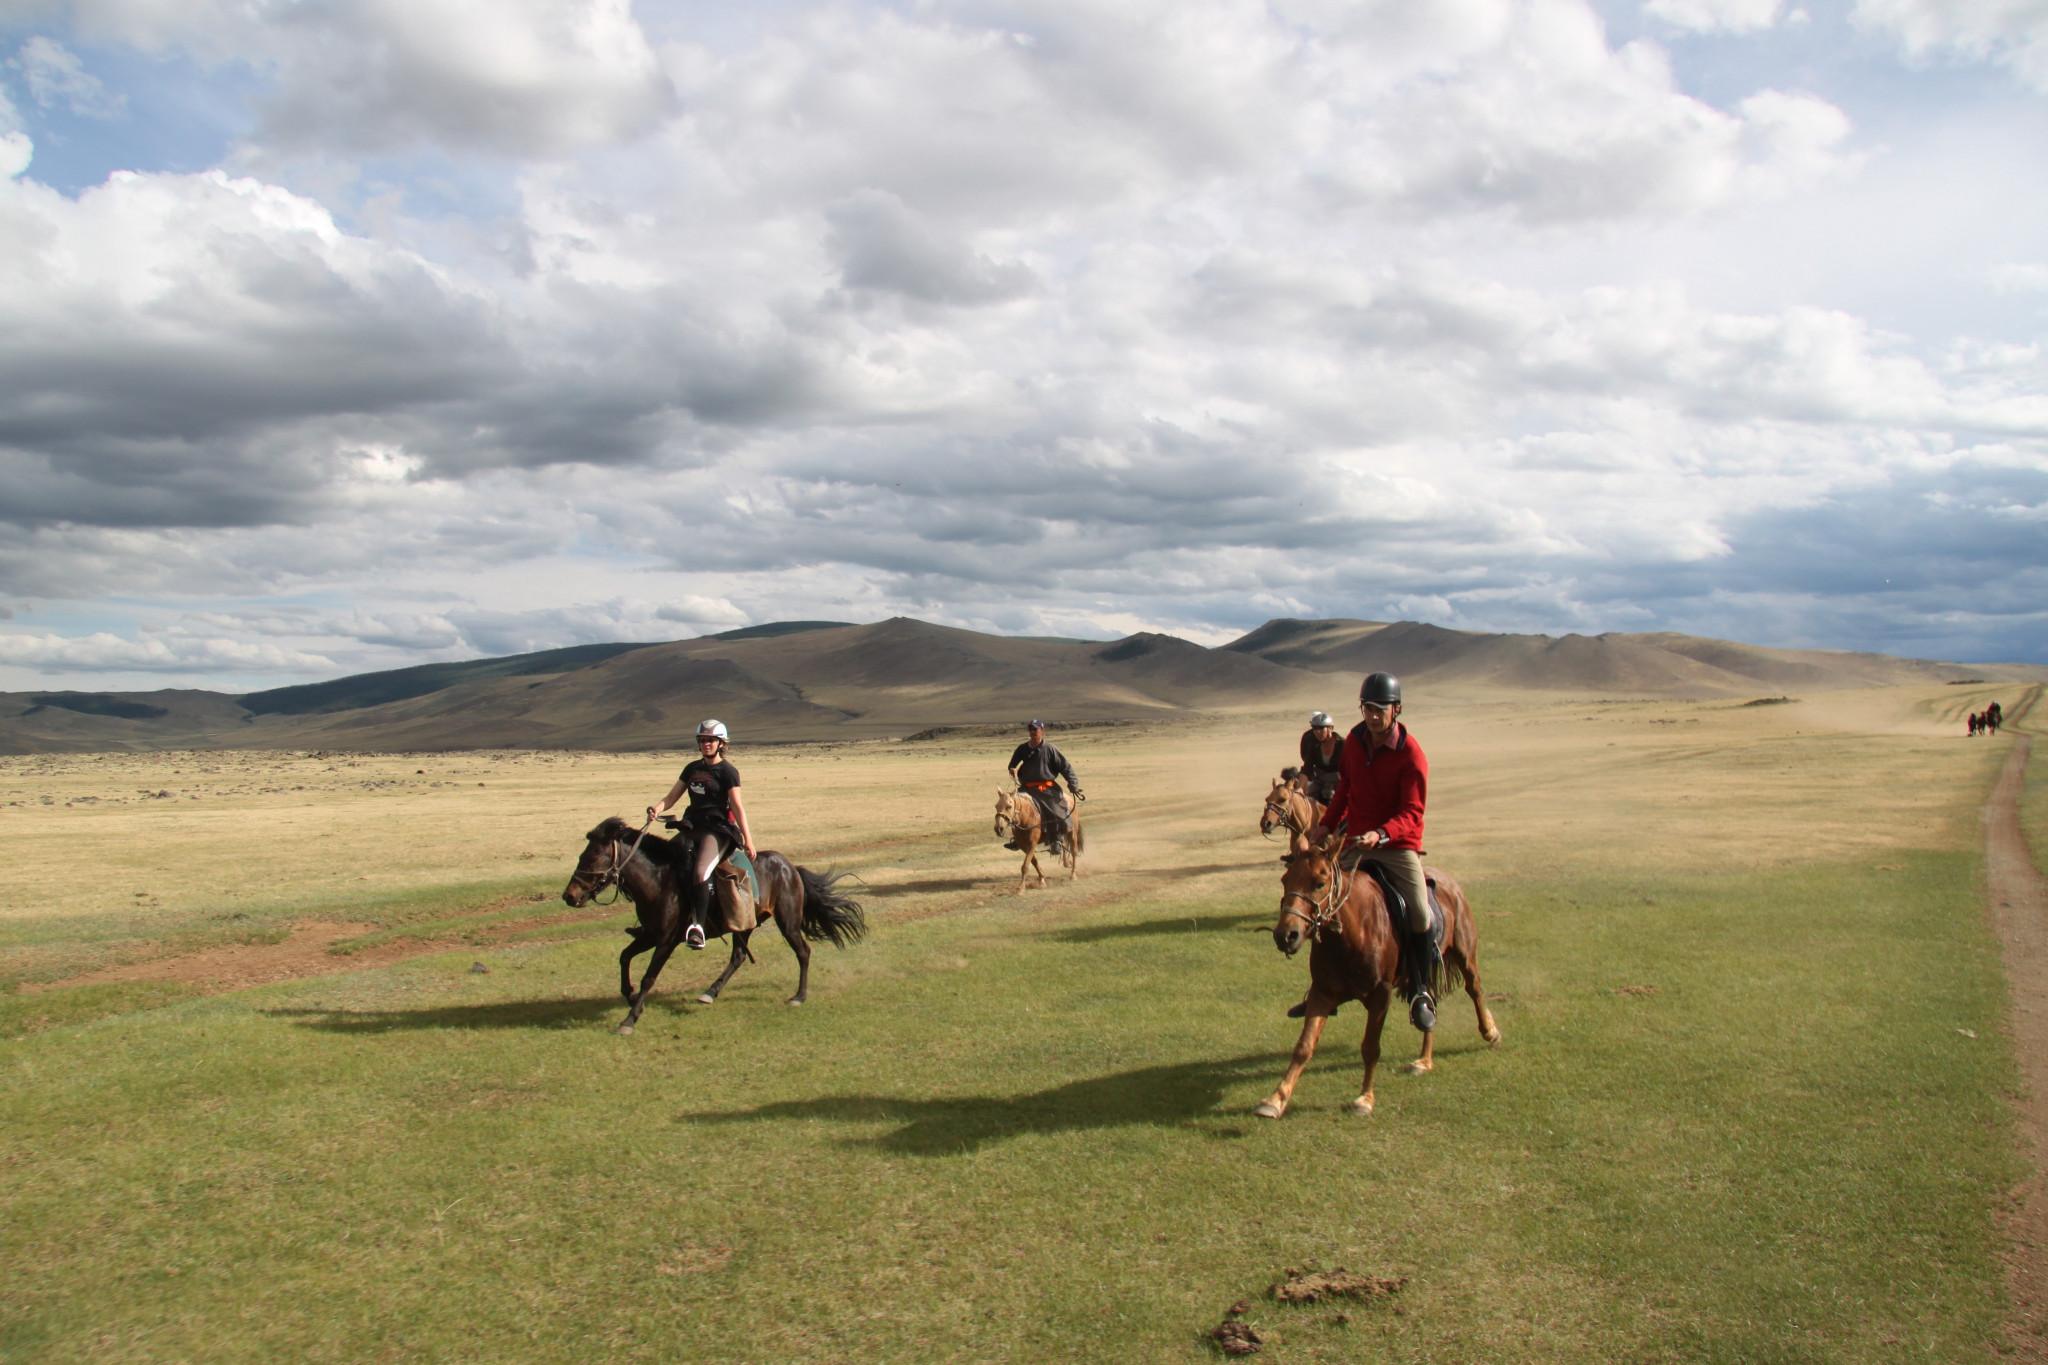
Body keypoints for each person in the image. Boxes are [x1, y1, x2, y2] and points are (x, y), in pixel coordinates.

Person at [1299, 673, 1436, 1031]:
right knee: (1323, 898)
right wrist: (1327, 824)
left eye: (1380, 709)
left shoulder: (1411, 754)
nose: (1373, 716)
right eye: (1368, 709)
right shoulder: (1356, 743)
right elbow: (1345, 788)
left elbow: (1413, 812)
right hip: (1356, 841)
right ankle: (1321, 986)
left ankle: (1420, 990)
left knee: (1421, 914)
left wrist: (1383, 833)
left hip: (1397, 846)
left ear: (1396, 709)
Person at [647, 719, 757, 951]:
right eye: (702, 740)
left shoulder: (728, 772)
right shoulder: (692, 769)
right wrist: (657, 808)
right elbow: (671, 797)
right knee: (667, 863)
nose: (706, 744)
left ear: (721, 743)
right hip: (692, 826)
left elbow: (737, 807)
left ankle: (697, 928)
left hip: (717, 831)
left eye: (711, 740)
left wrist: (748, 839)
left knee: (700, 871)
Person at [1007, 719, 1084, 856]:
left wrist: (1073, 784)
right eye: (1030, 729)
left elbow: (1065, 767)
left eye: (1035, 729)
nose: (1032, 732)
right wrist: (1012, 769)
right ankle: (1018, 839)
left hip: (1046, 788)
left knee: (1054, 810)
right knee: (1014, 808)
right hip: (1027, 788)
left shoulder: (1050, 749)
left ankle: (1055, 840)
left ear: (1042, 731)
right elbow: (1012, 764)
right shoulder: (1022, 749)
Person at [1296, 710, 1342, 806]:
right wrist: (1299, 788)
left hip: (1340, 783)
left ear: (1330, 728)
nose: (1317, 731)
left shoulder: (1342, 744)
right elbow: (1307, 767)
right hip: (1320, 782)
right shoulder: (1314, 745)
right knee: (1308, 804)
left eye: (1321, 728)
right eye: (1314, 728)